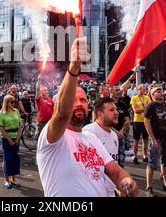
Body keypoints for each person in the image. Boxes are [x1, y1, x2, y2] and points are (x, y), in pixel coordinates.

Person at [36, 37, 139, 197]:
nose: (78, 104)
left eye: (83, 100)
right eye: (73, 100)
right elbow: (62, 115)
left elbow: (115, 171)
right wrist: (74, 67)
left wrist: (127, 182)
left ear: (88, 105)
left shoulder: (91, 139)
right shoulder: (52, 138)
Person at [84, 97, 128, 196]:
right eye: (112, 110)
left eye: (116, 109)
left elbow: (113, 164)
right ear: (100, 114)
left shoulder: (113, 135)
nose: (117, 113)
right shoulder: (88, 132)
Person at [143, 87, 166, 196]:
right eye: (158, 91)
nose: (160, 92)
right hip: (156, 138)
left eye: (161, 90)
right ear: (152, 94)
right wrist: (153, 139)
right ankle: (149, 187)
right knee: (153, 163)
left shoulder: (165, 105)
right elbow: (146, 122)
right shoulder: (150, 106)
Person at [0, 94, 23, 189]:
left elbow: (20, 125)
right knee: (7, 158)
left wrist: (18, 137)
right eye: (12, 101)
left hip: (16, 138)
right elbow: (0, 127)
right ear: (6, 102)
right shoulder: (2, 113)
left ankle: (13, 179)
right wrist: (9, 140)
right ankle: (6, 180)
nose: (14, 103)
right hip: (7, 139)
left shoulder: (16, 111)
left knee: (15, 158)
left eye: (14, 101)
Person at [110, 86, 131, 168]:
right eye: (116, 90)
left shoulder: (122, 104)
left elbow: (127, 119)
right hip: (109, 135)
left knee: (121, 161)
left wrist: (122, 131)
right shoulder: (106, 103)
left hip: (121, 136)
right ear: (111, 91)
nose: (119, 91)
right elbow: (102, 121)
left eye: (119, 90)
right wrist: (115, 132)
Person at [130, 84, 151, 165]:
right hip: (137, 121)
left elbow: (149, 109)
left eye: (145, 89)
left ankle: (145, 156)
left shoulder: (147, 97)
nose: (144, 90)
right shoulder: (134, 98)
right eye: (143, 89)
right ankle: (135, 156)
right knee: (136, 139)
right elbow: (136, 110)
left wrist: (143, 109)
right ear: (139, 89)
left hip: (146, 120)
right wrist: (145, 108)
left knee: (145, 139)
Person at [35, 74, 54, 139]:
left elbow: (54, 110)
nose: (47, 91)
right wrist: (39, 80)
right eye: (45, 90)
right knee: (40, 138)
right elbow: (37, 90)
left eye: (47, 90)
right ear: (41, 92)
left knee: (48, 138)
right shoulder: (39, 98)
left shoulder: (51, 100)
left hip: (49, 122)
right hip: (41, 122)